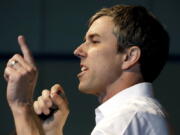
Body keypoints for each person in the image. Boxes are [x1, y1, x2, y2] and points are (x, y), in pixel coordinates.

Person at [5, 4, 170, 135]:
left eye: (95, 41)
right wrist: (53, 132)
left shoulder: (128, 118)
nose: (78, 51)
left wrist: (21, 105)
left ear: (129, 56)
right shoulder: (135, 116)